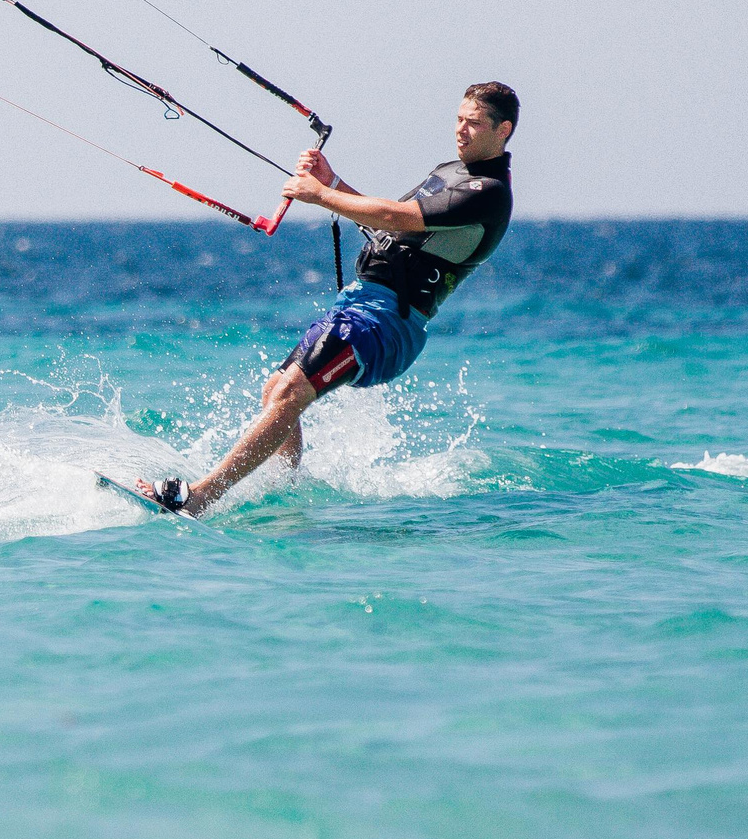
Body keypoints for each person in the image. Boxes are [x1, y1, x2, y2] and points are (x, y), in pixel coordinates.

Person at [138, 82, 520, 516]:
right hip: (359, 304)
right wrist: (331, 181)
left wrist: (319, 196)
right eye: (459, 119)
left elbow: (400, 217)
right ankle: (285, 494)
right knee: (275, 392)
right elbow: (384, 221)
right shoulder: (450, 170)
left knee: (292, 391)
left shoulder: (489, 193)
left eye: (474, 123)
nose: (461, 130)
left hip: (389, 322)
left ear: (503, 130)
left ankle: (200, 496)